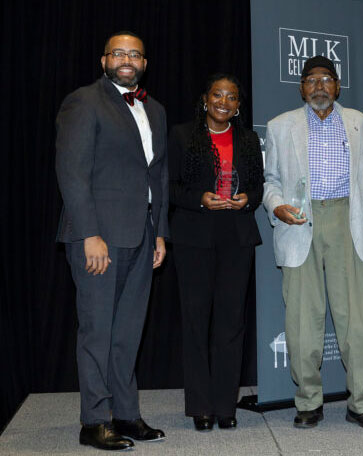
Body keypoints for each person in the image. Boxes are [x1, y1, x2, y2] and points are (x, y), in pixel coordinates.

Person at [54, 31, 168, 451]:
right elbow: (72, 173)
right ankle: (94, 420)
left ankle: (125, 413)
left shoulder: (153, 109)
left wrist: (160, 235)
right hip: (98, 237)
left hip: (142, 235)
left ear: (144, 62)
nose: (127, 59)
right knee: (98, 331)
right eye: (119, 53)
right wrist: (88, 234)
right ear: (104, 60)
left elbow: (158, 176)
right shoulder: (84, 101)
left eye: (135, 53)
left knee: (128, 332)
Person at [263, 56, 363, 430]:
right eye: (311, 80)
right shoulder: (280, 126)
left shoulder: (361, 124)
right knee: (302, 318)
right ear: (301, 88)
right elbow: (270, 180)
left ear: (338, 85)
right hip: (300, 222)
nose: (318, 86)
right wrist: (276, 206)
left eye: (326, 79)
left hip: (349, 222)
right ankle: (308, 400)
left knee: (357, 319)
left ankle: (360, 402)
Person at [168, 74, 263, 431]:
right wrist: (200, 200)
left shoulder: (249, 138)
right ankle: (201, 407)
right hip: (194, 236)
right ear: (205, 99)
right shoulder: (182, 136)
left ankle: (226, 405)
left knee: (230, 323)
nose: (224, 101)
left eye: (232, 97)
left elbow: (257, 186)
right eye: (218, 95)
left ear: (238, 105)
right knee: (196, 324)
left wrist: (247, 199)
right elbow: (170, 187)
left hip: (236, 237)